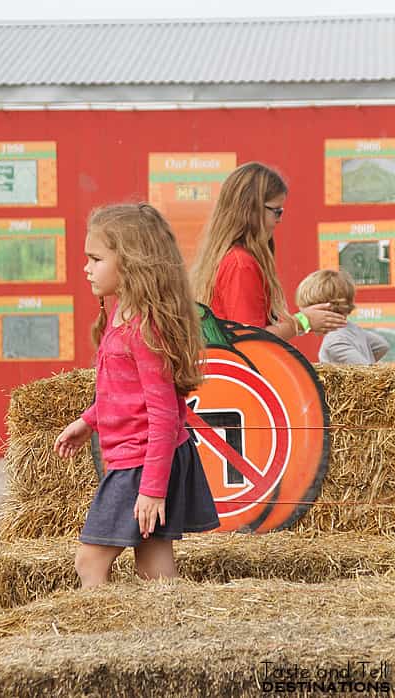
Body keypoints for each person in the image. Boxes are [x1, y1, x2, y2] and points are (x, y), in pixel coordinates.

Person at [54, 203, 219, 588]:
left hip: (142, 465)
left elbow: (164, 416)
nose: (87, 268)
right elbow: (123, 394)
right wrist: (88, 421)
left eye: (96, 259)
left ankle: (99, 638)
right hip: (147, 461)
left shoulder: (144, 329)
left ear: (131, 264)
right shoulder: (123, 314)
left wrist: (151, 490)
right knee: (154, 569)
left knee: (89, 562)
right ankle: (167, 637)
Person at [190, 161, 346, 340]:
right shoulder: (241, 264)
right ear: (250, 210)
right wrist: (303, 321)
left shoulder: (228, 258)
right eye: (277, 211)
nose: (279, 220)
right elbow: (252, 340)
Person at [296, 269, 390, 364]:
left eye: (309, 315)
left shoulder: (333, 342)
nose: (306, 321)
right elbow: (382, 345)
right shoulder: (352, 328)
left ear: (324, 309)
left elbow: (364, 370)